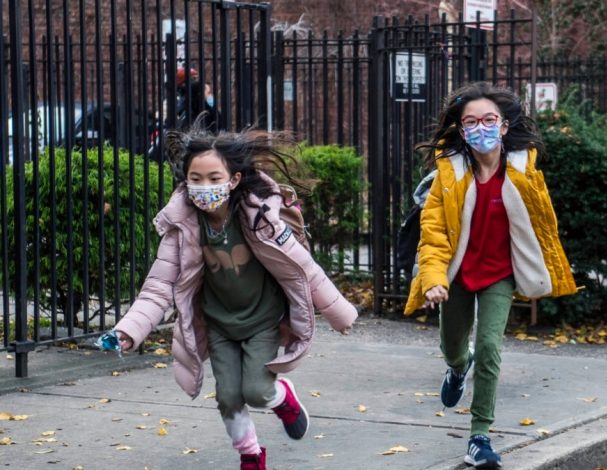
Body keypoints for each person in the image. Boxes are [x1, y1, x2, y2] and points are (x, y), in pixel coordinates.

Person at [113, 124, 357, 470]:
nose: (205, 187)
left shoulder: (261, 218)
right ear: (185, 181)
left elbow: (304, 268)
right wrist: (129, 330)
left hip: (262, 320)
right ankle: (251, 455)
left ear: (234, 180)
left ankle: (283, 398)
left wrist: (339, 313)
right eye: (196, 178)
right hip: (219, 324)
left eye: (215, 178)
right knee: (228, 397)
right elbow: (158, 286)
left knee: (256, 391)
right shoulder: (183, 226)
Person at [404, 82, 577, 469]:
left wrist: (541, 270)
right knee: (454, 346)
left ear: (502, 126)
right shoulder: (449, 178)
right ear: (461, 130)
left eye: (488, 119)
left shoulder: (523, 174)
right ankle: (456, 367)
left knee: (490, 348)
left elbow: (543, 228)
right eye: (470, 121)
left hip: (500, 274)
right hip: (458, 275)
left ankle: (479, 436)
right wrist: (434, 279)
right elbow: (432, 236)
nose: (480, 127)